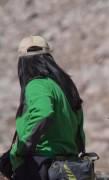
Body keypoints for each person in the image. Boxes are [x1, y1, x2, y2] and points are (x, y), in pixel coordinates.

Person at [9, 36, 86, 180]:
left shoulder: (37, 85)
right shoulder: (65, 86)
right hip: (68, 166)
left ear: (22, 63)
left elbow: (43, 113)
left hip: (41, 166)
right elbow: (78, 127)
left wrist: (20, 149)